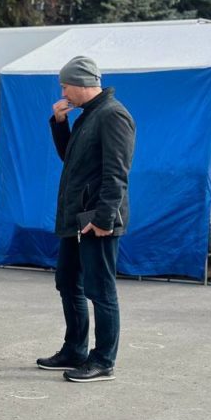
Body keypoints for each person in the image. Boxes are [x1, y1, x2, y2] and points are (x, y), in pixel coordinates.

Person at [37, 55, 135, 383]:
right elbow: (72, 159)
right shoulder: (88, 115)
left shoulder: (113, 115)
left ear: (81, 84)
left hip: (97, 216)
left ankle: (104, 360)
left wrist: (106, 218)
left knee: (100, 289)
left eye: (65, 85)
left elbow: (117, 172)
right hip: (78, 216)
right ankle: (74, 350)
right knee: (67, 281)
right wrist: (59, 123)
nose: (62, 90)